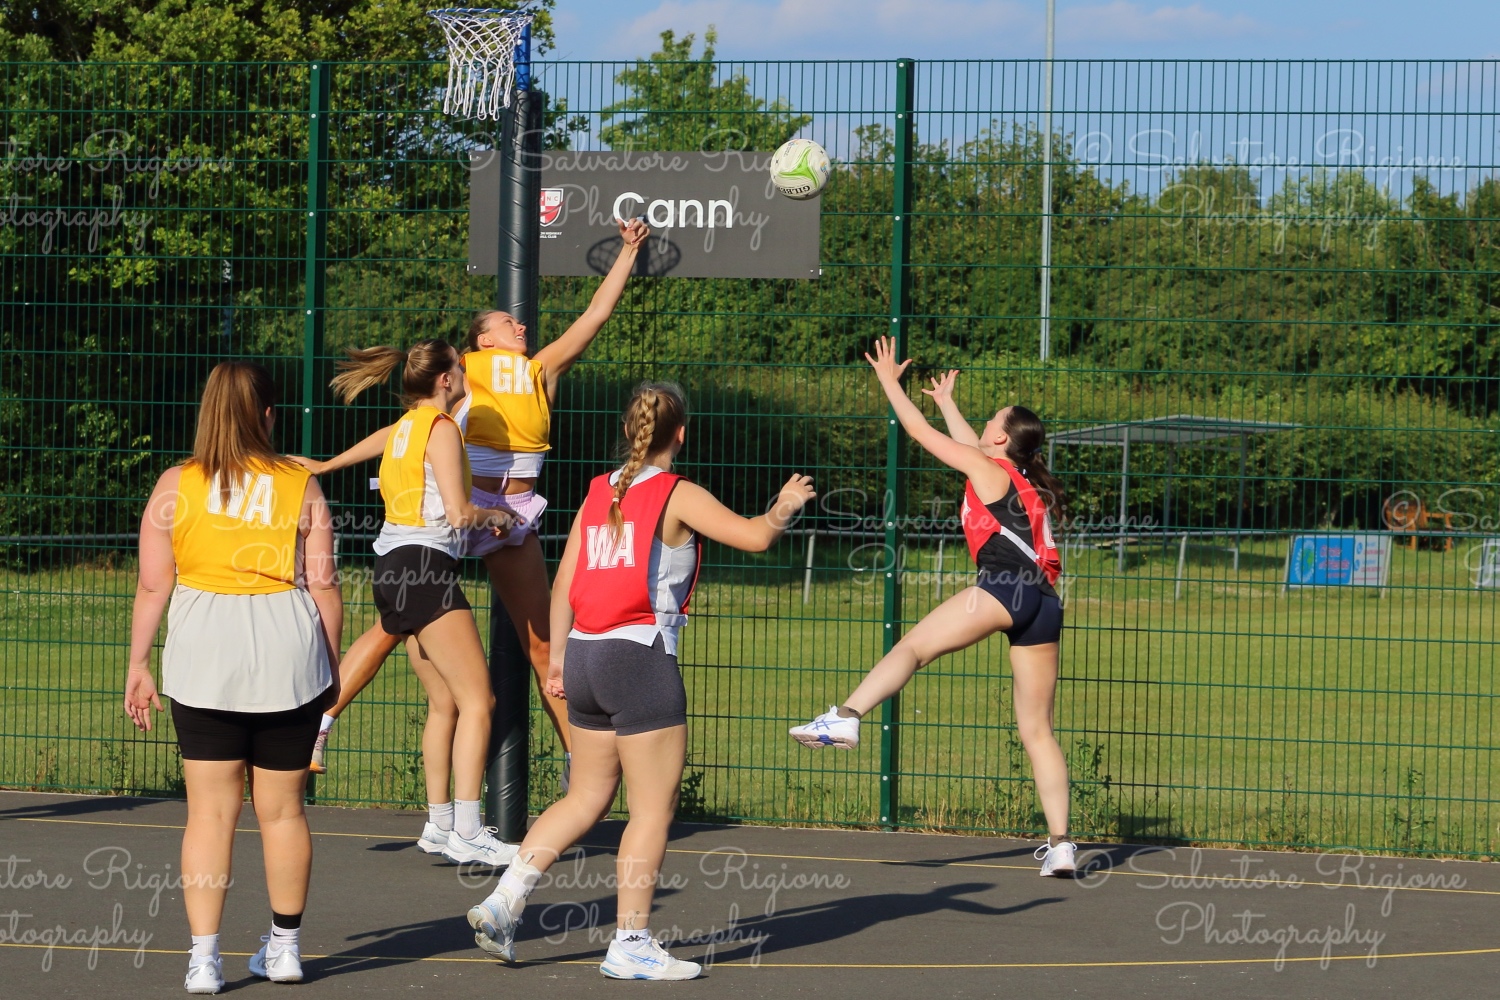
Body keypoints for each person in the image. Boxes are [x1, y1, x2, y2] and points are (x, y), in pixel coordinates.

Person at [465, 382, 815, 979]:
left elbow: (565, 581)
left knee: (584, 798)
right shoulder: (677, 493)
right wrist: (785, 503)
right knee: (652, 810)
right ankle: (630, 943)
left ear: (630, 431)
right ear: (681, 434)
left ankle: (504, 900)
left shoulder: (598, 491)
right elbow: (757, 537)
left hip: (584, 655)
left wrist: (556, 660)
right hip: (639, 656)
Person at [297, 217, 652, 792]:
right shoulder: (461, 376)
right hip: (460, 507)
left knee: (544, 643)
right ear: (483, 339)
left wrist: (628, 252)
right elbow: (402, 429)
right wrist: (328, 465)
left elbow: (596, 314)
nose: (521, 324)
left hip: (512, 515)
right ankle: (321, 720)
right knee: (394, 625)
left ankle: (578, 763)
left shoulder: (539, 370)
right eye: (507, 322)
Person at [788, 337, 1077, 877]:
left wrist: (889, 383)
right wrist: (946, 401)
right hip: (1043, 602)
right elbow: (968, 445)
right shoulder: (1015, 480)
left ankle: (846, 718)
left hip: (1005, 588)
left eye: (992, 419)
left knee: (913, 648)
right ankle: (1062, 844)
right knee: (1038, 731)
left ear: (1000, 437)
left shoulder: (990, 471)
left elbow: (920, 433)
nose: (984, 423)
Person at [124, 361, 343, 993]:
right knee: (284, 813)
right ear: (268, 416)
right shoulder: (299, 483)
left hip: (205, 656)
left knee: (209, 816)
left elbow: (153, 585)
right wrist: (329, 667)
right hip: (286, 653)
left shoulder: (175, 484)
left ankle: (203, 959)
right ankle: (285, 949)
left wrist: (138, 664)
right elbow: (324, 586)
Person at [328, 338, 519, 866]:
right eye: (460, 366)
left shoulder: (407, 426)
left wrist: (324, 467)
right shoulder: (441, 428)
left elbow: (378, 441)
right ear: (444, 380)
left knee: (444, 702)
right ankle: (468, 829)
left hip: (392, 567)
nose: (465, 373)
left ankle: (439, 824)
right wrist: (498, 516)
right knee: (479, 702)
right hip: (425, 568)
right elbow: (459, 513)